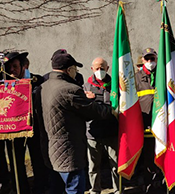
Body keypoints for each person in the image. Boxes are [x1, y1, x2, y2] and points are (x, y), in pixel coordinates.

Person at [37, 53, 114, 194]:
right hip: (69, 154)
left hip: (50, 152)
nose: (76, 73)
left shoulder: (42, 88)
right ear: (69, 69)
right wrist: (112, 111)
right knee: (74, 189)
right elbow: (94, 112)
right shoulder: (70, 89)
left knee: (57, 189)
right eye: (75, 69)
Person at [3, 51, 46, 194]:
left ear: (24, 66)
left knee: (38, 160)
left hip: (35, 128)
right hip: (13, 130)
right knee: (16, 163)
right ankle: (20, 189)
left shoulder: (38, 81)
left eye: (15, 67)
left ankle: (40, 188)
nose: (12, 71)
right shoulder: (4, 84)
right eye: (9, 68)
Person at [83, 57, 120, 194]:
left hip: (112, 131)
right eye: (97, 68)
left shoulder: (115, 85)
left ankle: (117, 189)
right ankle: (94, 190)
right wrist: (89, 100)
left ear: (108, 68)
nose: (100, 71)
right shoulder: (86, 86)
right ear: (92, 69)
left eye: (102, 68)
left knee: (115, 165)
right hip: (93, 133)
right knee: (93, 166)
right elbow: (83, 108)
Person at [135, 48, 165, 193]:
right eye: (147, 59)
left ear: (156, 59)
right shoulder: (136, 78)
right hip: (144, 124)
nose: (150, 62)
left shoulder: (163, 76)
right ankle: (147, 183)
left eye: (152, 59)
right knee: (147, 156)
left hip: (161, 125)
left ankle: (160, 181)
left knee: (160, 154)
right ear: (142, 60)